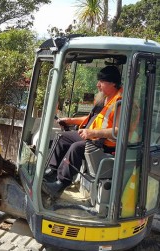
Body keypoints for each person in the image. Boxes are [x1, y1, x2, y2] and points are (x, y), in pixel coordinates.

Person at [42, 65, 123, 198]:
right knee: (62, 137)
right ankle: (52, 171)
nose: (98, 85)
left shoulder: (121, 102)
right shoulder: (105, 98)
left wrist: (92, 133)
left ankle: (60, 184)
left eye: (101, 81)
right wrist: (70, 120)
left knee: (76, 148)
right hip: (92, 137)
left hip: (105, 145)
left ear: (113, 83)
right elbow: (90, 119)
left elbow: (119, 130)